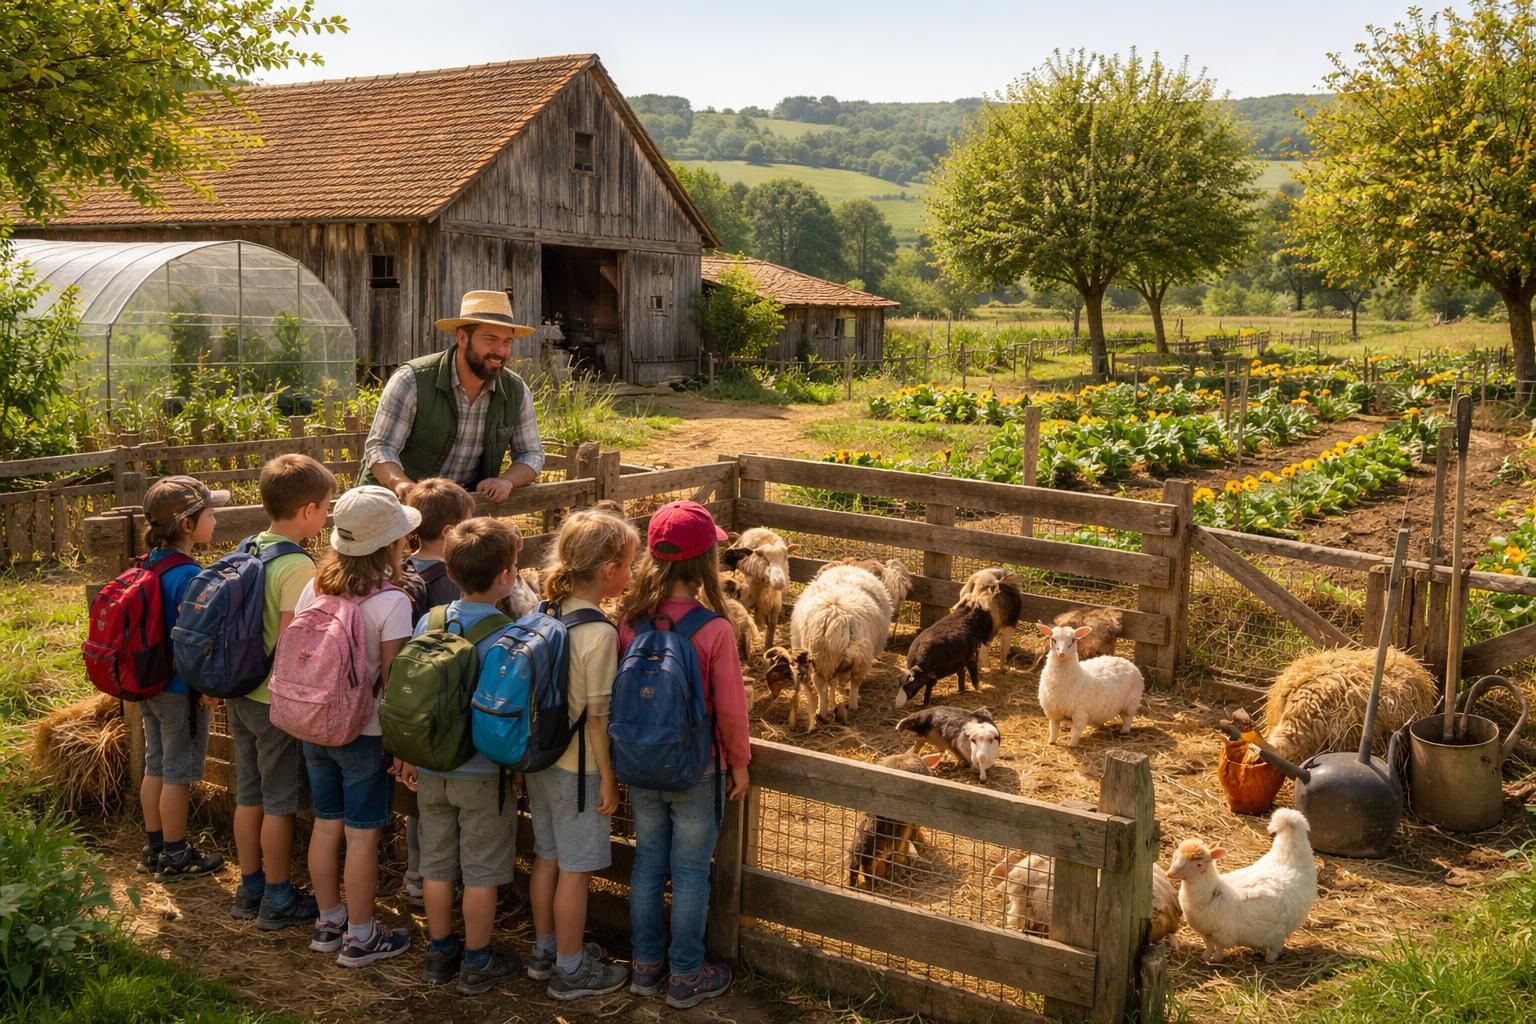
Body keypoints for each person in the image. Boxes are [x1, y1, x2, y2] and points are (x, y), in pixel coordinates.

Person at [616, 501, 751, 1009]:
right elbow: (731, 708)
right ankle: (687, 974)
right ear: (705, 562)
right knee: (691, 872)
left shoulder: (630, 622)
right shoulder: (714, 628)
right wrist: (739, 762)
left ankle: (645, 966)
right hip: (698, 768)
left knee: (648, 865)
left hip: (642, 763)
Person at [297, 486, 418, 968]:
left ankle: (329, 922)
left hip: (314, 723)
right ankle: (363, 935)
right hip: (363, 732)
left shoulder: (315, 587)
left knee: (326, 823)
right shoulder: (392, 602)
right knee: (363, 834)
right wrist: (403, 744)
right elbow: (394, 682)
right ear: (388, 544)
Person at [528, 507, 638, 1001]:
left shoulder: (543, 612)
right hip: (579, 772)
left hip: (541, 760)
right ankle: (571, 972)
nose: (631, 574)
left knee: (547, 859)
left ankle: (546, 950)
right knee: (575, 872)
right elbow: (597, 718)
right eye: (629, 565)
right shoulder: (600, 634)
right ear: (610, 570)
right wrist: (609, 778)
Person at [412, 517, 525, 996]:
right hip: (482, 771)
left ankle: (439, 952)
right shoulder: (509, 634)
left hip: (432, 764)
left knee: (436, 864)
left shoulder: (430, 620)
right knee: (481, 872)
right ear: (505, 576)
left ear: (451, 571)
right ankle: (478, 961)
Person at [228, 454, 335, 929]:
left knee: (248, 794)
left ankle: (249, 887)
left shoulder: (248, 546)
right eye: (326, 507)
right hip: (273, 702)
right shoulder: (296, 565)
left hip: (239, 691)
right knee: (279, 804)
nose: (327, 516)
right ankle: (278, 896)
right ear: (308, 510)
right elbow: (296, 642)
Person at [361, 290, 543, 502]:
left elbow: (531, 454)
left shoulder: (515, 391)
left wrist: (507, 481)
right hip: (392, 504)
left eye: (507, 342)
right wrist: (401, 484)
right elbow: (381, 447)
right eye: (491, 339)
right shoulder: (412, 380)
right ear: (463, 338)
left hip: (462, 507)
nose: (500, 351)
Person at [135, 476, 230, 883]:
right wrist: (207, 687)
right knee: (178, 773)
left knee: (155, 764)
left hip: (150, 684)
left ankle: (155, 847)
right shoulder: (191, 577)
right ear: (187, 525)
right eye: (210, 514)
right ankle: (176, 855)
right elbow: (196, 641)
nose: (215, 520)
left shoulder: (148, 563)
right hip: (180, 691)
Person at [397, 476, 475, 908]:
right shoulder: (452, 583)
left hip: (409, 704)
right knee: (448, 805)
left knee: (419, 801)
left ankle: (417, 877)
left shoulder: (400, 570)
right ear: (450, 531)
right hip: (447, 704)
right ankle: (447, 879)